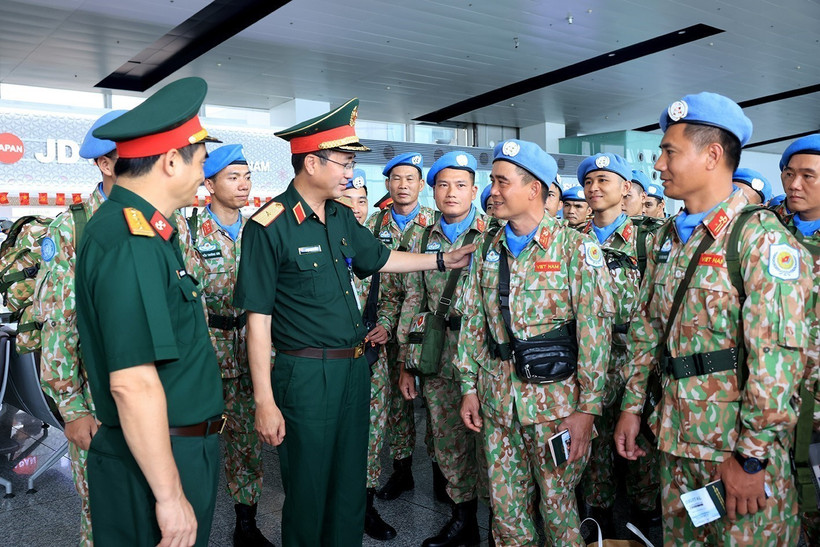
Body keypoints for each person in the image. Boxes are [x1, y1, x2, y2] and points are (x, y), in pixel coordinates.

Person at [232, 98, 475, 546]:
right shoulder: (270, 227)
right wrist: (264, 400)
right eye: (343, 163)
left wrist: (443, 259)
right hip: (306, 374)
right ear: (312, 163)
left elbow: (381, 258)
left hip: (353, 370)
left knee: (349, 484)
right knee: (308, 489)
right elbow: (258, 320)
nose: (349, 172)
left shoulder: (341, 216)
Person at [614, 92, 811, 545]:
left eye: (670, 152)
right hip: (675, 439)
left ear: (712, 156)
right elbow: (647, 329)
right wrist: (631, 406)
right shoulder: (667, 237)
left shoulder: (760, 240)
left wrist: (752, 458)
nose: (658, 165)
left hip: (734, 450)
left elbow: (778, 363)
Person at [74, 77, 226, 546]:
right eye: (201, 161)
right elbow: (132, 382)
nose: (204, 175)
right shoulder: (131, 241)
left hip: (170, 446)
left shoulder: (146, 232)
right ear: (171, 160)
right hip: (158, 457)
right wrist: (170, 496)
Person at [457, 138, 613, 545]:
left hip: (556, 408)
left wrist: (587, 409)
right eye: (492, 181)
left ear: (534, 189)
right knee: (506, 513)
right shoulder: (487, 247)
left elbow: (595, 333)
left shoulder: (576, 248)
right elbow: (473, 320)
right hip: (497, 403)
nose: (492, 191)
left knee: (559, 511)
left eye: (502, 182)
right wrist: (468, 387)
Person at [35, 109, 125, 546]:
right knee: (103, 512)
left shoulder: (166, 223)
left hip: (155, 397)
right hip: (95, 398)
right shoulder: (73, 228)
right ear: (105, 164)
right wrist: (72, 409)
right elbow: (57, 325)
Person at [182, 143, 275, 546]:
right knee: (197, 441)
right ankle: (188, 522)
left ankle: (246, 524)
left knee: (247, 443)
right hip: (206, 355)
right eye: (233, 177)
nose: (243, 185)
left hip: (251, 351)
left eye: (247, 177)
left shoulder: (259, 231)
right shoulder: (188, 233)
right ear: (210, 184)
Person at [396, 151, 489, 547]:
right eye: (444, 185)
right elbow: (413, 301)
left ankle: (504, 524)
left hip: (483, 356)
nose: (452, 192)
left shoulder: (492, 234)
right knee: (448, 442)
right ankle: (462, 520)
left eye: (461, 185)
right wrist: (407, 362)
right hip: (437, 352)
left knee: (491, 442)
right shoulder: (419, 238)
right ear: (432, 191)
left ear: (474, 190)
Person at [574, 153, 661, 536]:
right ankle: (600, 519)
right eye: (589, 181)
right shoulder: (572, 241)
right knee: (595, 447)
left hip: (634, 361)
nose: (594, 188)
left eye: (603, 180)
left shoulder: (647, 240)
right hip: (587, 362)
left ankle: (645, 519)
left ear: (625, 188)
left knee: (641, 446)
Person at [363, 152, 439, 503]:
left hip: (427, 331)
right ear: (388, 184)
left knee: (435, 403)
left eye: (410, 179)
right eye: (396, 179)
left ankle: (443, 472)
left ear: (421, 185)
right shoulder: (373, 226)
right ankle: (402, 468)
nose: (403, 185)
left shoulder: (434, 223)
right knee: (395, 402)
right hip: (384, 328)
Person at [342, 168, 398, 541]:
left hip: (372, 358)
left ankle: (365, 506)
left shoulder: (377, 248)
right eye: (348, 201)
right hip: (333, 360)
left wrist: (387, 325)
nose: (357, 209)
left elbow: (391, 296)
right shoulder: (323, 247)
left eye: (362, 201)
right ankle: (339, 504)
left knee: (373, 435)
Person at [776, 134, 820, 544]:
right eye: (789, 174)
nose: (794, 184)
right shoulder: (767, 233)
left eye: (808, 176)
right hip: (776, 397)